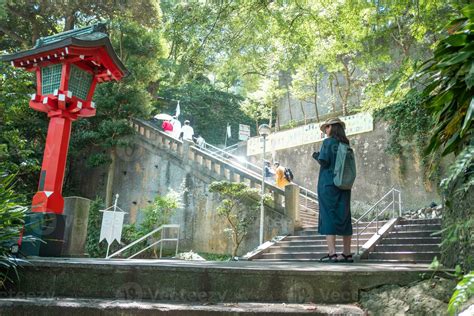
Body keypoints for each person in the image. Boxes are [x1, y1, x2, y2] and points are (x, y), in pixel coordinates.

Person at [313, 117, 353, 263]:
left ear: (333, 127)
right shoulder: (345, 144)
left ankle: (332, 253)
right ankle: (347, 253)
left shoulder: (328, 142)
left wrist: (316, 155)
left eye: (327, 127)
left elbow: (324, 161)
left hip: (328, 184)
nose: (325, 130)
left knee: (328, 215)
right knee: (344, 216)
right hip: (344, 185)